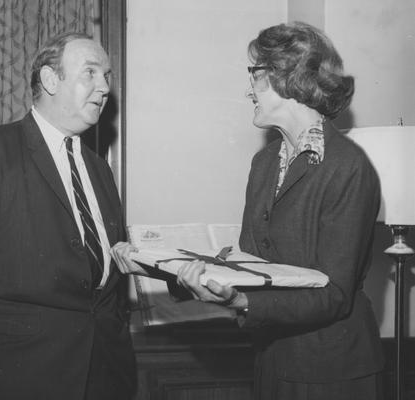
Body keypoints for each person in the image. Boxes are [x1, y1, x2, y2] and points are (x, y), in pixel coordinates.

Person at [112, 22, 384, 400]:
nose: (248, 89)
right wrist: (160, 267)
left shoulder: (347, 167)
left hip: (330, 372)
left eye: (255, 75)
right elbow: (252, 267)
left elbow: (334, 295)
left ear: (288, 76)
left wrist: (241, 301)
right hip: (271, 360)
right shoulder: (265, 162)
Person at [0, 32, 136, 400]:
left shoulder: (100, 170)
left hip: (104, 374)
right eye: (90, 73)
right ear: (50, 80)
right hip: (22, 376)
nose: (104, 87)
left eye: (107, 76)